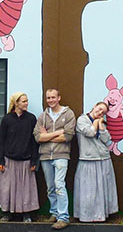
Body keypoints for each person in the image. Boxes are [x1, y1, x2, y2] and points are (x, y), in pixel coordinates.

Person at [0, 91, 40, 222]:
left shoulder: (31, 118)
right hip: (9, 160)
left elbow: (34, 141)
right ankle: (7, 213)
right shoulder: (7, 119)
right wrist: (1, 160)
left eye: (27, 100)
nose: (26, 103)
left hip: (26, 160)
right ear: (16, 103)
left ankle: (26, 214)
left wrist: (34, 160)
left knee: (26, 189)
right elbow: (2, 140)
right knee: (7, 188)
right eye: (23, 101)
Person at [34, 88, 76, 229]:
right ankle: (55, 213)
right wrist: (58, 132)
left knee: (59, 185)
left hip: (61, 155)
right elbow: (38, 137)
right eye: (48, 98)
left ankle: (64, 217)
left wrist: (48, 136)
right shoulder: (43, 116)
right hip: (45, 156)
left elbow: (68, 136)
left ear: (59, 98)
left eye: (53, 97)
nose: (51, 100)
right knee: (50, 187)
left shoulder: (68, 114)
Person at [74, 101, 118, 223]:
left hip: (103, 158)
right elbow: (89, 132)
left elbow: (107, 141)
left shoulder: (101, 122)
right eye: (99, 109)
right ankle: (86, 215)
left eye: (102, 112)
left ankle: (101, 215)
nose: (99, 113)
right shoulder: (82, 120)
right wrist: (96, 123)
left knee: (102, 190)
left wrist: (102, 126)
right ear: (94, 106)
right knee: (89, 191)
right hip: (88, 159)